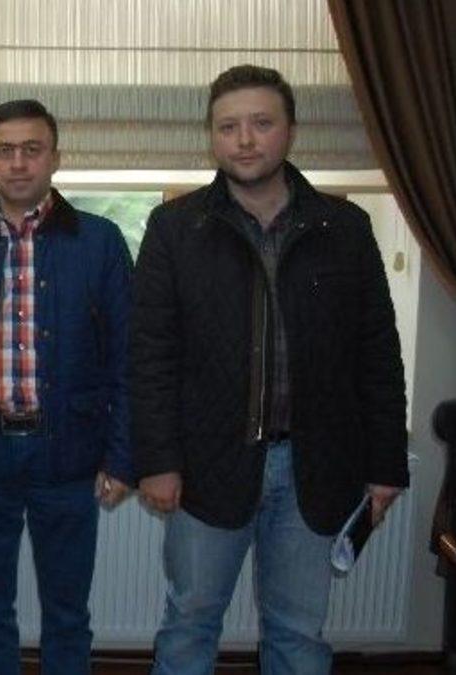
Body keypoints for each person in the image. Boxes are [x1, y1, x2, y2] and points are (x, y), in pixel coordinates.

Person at [131, 64, 409, 675]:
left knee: (299, 633)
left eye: (261, 123)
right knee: (189, 622)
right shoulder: (176, 228)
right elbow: (150, 353)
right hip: (207, 467)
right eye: (228, 126)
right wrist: (157, 460)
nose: (245, 140)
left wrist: (386, 466)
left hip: (318, 466)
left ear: (290, 131)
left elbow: (377, 354)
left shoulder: (345, 227)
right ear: (212, 136)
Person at [0, 99, 132, 675]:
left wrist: (121, 456)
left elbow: (126, 358)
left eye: (31, 150)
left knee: (67, 612)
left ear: (55, 158)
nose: (18, 163)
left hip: (68, 452)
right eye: (4, 151)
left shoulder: (100, 241)